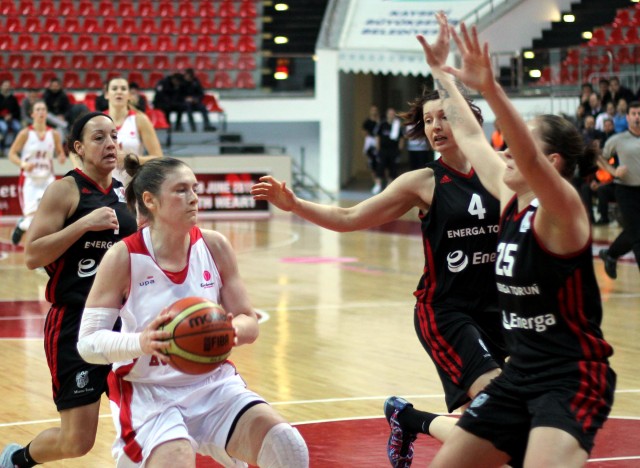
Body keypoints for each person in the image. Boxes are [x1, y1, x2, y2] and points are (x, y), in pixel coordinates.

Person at [251, 50, 507, 466]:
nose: (435, 127)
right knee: (501, 407)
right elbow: (349, 217)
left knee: (482, 432)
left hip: (500, 312)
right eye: (428, 120)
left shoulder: (501, 172)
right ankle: (412, 421)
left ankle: (408, 419)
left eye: (444, 116)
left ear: (469, 118)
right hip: (448, 312)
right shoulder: (423, 181)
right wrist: (295, 204)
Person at [419, 13, 615, 467]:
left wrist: (490, 88)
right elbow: (470, 134)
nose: (503, 151)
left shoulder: (563, 211)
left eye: (518, 145)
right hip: (520, 373)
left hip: (569, 377)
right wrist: (441, 72)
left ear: (552, 162)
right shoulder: (511, 198)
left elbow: (522, 150)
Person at [76, 156, 309, 467]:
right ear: (150, 200)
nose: (194, 197)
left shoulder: (215, 246)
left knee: (287, 446)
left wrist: (227, 330)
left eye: (195, 189)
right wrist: (141, 342)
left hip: (213, 385)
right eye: (181, 190)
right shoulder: (124, 256)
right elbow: (88, 343)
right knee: (177, 459)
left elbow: (249, 322)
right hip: (149, 391)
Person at [0, 112, 138, 467]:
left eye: (114, 136)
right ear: (79, 147)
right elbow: (32, 255)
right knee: (77, 441)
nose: (110, 144)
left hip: (125, 321)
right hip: (75, 322)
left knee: (146, 417)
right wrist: (84, 224)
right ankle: (18, 459)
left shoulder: (126, 192)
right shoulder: (64, 190)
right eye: (99, 138)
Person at [7, 100, 66, 245]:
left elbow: (60, 152)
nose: (41, 112)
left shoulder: (54, 134)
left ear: (46, 113)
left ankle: (46, 250)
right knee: (31, 221)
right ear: (32, 114)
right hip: (30, 180)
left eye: (43, 109)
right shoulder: (25, 133)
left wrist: (61, 156)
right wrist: (23, 164)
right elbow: (12, 154)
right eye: (38, 109)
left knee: (51, 217)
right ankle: (22, 225)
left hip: (47, 179)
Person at [598, 101, 640, 280]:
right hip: (626, 191)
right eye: (634, 114)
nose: (637, 117)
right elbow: (599, 158)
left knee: (633, 231)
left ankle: (610, 254)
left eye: (639, 113)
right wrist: (614, 171)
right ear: (627, 117)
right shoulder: (618, 139)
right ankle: (611, 255)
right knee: (638, 235)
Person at [101, 76, 163, 187]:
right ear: (106, 94)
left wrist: (130, 159)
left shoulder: (140, 119)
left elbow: (159, 159)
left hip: (132, 186)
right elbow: (76, 149)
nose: (119, 91)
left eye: (123, 89)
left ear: (129, 95)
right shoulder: (97, 120)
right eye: (114, 88)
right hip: (104, 187)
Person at [374, 107, 405, 192]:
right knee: (380, 167)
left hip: (393, 150)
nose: (391, 115)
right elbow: (377, 136)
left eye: (393, 114)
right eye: (390, 113)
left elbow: (402, 138)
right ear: (387, 114)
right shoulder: (382, 124)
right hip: (383, 150)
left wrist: (399, 150)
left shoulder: (397, 125)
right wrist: (378, 149)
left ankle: (389, 186)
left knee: (393, 168)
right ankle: (378, 185)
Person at [361, 105, 381, 193]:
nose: (374, 111)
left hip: (379, 142)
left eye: (375, 110)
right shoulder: (367, 122)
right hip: (370, 141)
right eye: (372, 110)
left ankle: (381, 182)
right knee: (371, 164)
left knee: (380, 163)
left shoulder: (380, 122)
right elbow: (364, 133)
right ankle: (376, 183)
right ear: (370, 111)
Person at [0, 79, 22, 155]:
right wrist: (3, 117)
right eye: (5, 85)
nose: (6, 87)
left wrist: (11, 115)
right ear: (1, 86)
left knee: (18, 128)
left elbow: (17, 111)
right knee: (4, 128)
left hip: (12, 119)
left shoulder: (13, 98)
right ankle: (1, 148)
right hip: (1, 119)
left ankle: (15, 148)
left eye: (8, 86)